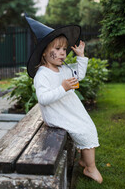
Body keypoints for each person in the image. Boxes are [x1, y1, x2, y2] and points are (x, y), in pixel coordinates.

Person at [25, 14, 103, 184]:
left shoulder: (63, 69)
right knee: (83, 130)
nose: (63, 53)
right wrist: (63, 88)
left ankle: (84, 161)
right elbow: (43, 98)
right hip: (56, 113)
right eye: (58, 49)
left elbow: (79, 75)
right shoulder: (42, 74)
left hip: (69, 109)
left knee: (88, 126)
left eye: (64, 49)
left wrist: (81, 57)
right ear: (44, 52)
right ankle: (90, 168)